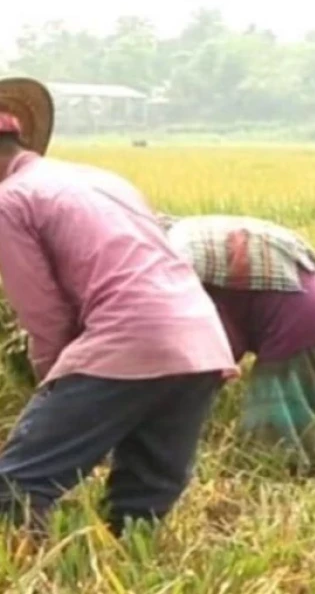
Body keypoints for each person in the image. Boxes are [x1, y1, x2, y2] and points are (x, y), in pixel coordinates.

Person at [0, 77, 239, 537]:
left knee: (17, 485)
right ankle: (131, 565)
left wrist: (55, 385)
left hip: (128, 336)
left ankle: (30, 569)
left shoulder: (10, 201)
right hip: (201, 342)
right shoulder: (100, 179)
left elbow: (46, 316)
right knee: (141, 502)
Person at [157, 213, 315, 477]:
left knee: (277, 422)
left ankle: (290, 476)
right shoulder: (197, 238)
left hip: (297, 319)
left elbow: (216, 339)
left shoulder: (179, 258)